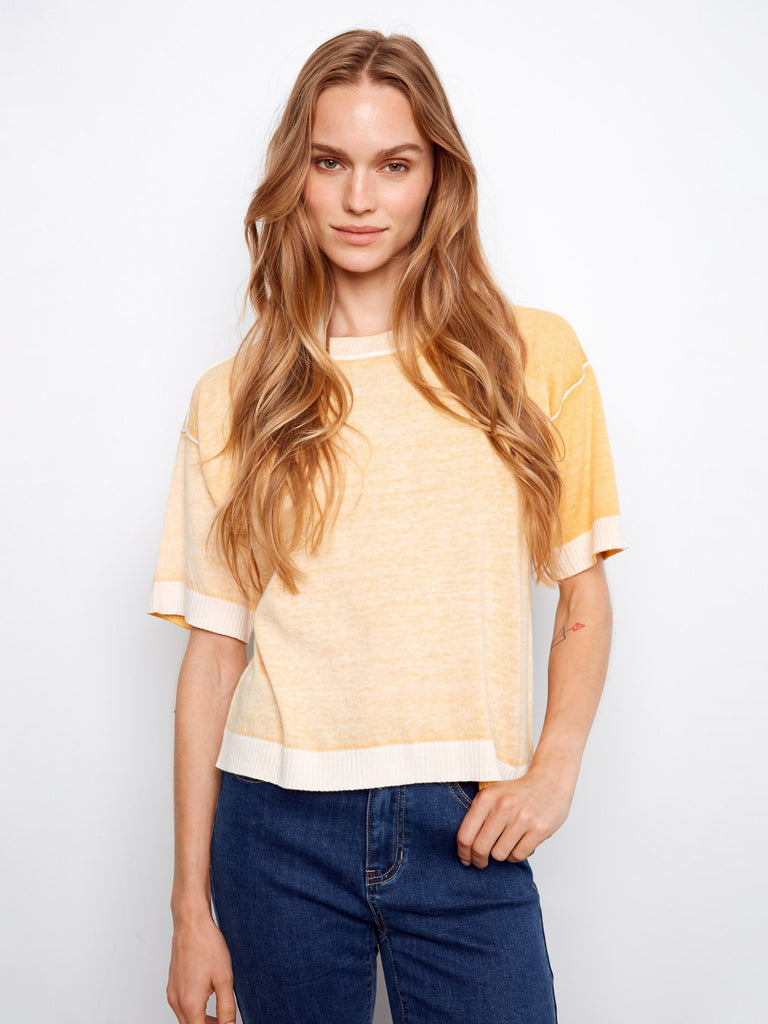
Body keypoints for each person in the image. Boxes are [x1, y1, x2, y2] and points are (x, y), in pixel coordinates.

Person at [150, 28, 625, 1024]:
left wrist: (555, 768)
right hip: (273, 830)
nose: (360, 198)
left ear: (436, 176)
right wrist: (190, 909)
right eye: (331, 162)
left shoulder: (530, 359)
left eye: (394, 164)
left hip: (469, 825)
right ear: (296, 177)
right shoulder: (233, 398)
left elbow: (583, 587)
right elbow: (214, 654)